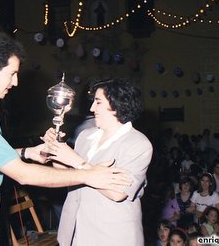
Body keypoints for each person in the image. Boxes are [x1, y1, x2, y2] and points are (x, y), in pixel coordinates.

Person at [0, 32, 131, 246]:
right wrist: (88, 175)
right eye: (12, 73)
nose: (16, 82)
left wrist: (27, 152)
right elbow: (23, 175)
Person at [45, 78, 153, 246]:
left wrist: (78, 162)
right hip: (75, 231)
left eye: (98, 102)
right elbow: (67, 176)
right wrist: (55, 150)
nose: (91, 108)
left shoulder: (138, 144)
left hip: (112, 235)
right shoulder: (86, 136)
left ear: (116, 105)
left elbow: (118, 193)